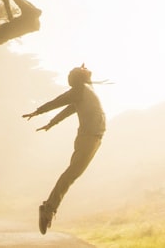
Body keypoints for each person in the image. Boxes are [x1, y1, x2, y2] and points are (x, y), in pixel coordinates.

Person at [22, 64, 106, 235]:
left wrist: (50, 124)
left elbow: (68, 110)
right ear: (80, 78)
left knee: (72, 174)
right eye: (81, 71)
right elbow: (58, 102)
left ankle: (49, 207)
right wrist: (38, 112)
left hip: (94, 138)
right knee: (71, 174)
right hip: (88, 138)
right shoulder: (80, 89)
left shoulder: (87, 89)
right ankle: (48, 208)